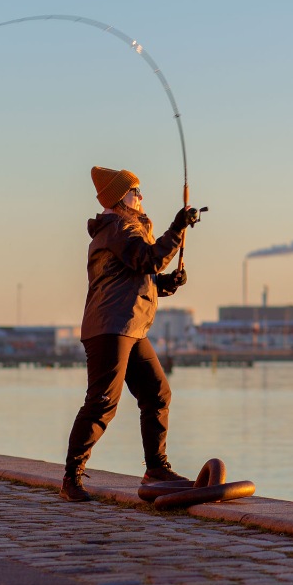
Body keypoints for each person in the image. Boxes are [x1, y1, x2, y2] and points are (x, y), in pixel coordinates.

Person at [60, 166, 200, 502]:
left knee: (157, 394)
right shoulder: (118, 227)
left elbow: (135, 273)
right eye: (136, 191)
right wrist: (177, 227)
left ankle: (156, 468)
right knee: (102, 403)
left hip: (130, 326)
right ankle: (71, 477)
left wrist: (164, 284)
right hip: (111, 327)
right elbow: (147, 259)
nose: (141, 197)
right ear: (120, 197)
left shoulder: (124, 228)